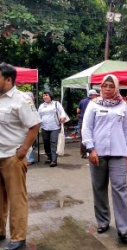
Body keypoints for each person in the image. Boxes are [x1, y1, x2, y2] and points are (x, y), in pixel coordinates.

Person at [82, 74, 127, 244]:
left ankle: (123, 228)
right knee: (99, 188)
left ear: (116, 88)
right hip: (98, 153)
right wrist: (90, 149)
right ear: (100, 87)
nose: (107, 89)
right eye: (105, 86)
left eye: (111, 86)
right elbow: (86, 128)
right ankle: (103, 222)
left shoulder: (122, 106)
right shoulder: (93, 104)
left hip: (119, 153)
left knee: (120, 188)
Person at [0, 63, 41, 250]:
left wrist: (23, 150)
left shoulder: (21, 99)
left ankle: (18, 237)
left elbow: (34, 125)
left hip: (12, 157)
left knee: (16, 198)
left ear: (8, 79)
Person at [38, 90, 68, 167]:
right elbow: (38, 116)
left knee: (53, 142)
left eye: (46, 95)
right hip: (44, 127)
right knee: (46, 143)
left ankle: (54, 160)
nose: (45, 97)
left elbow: (62, 112)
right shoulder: (41, 106)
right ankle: (49, 157)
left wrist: (63, 117)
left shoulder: (56, 104)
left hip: (54, 127)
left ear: (50, 96)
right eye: (44, 96)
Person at [77, 89, 99, 158]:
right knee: (93, 135)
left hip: (82, 120)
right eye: (95, 95)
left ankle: (83, 153)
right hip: (92, 122)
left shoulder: (82, 101)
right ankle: (92, 151)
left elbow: (78, 111)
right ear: (92, 95)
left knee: (83, 136)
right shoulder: (94, 102)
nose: (96, 96)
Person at [24, 91, 36, 165]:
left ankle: (30, 159)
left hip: (30, 127)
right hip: (26, 127)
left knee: (29, 144)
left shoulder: (31, 106)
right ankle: (28, 159)